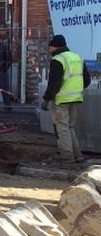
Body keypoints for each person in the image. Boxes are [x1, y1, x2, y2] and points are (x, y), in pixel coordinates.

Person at [41, 34, 91, 163]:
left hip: (62, 99)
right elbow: (87, 80)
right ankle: (77, 155)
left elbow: (54, 84)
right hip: (76, 98)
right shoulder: (77, 57)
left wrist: (46, 99)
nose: (49, 49)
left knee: (61, 127)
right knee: (69, 127)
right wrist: (76, 90)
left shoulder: (58, 59)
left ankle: (67, 155)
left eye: (50, 47)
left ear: (55, 46)